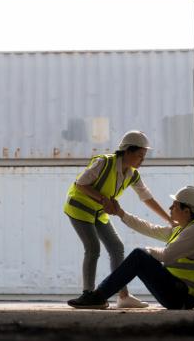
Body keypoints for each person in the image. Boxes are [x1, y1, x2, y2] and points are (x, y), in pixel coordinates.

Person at [63, 130, 174, 309]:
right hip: (79, 208)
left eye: (143, 156)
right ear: (127, 151)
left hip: (99, 212)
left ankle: (123, 296)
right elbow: (80, 184)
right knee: (93, 248)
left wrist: (169, 219)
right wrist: (103, 200)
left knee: (117, 247)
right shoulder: (104, 163)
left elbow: (147, 198)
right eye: (139, 156)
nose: (142, 160)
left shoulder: (132, 174)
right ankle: (88, 295)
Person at [67, 186, 194, 310]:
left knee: (139, 256)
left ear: (187, 211)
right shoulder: (181, 229)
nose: (170, 208)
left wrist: (147, 251)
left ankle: (98, 297)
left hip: (181, 297)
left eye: (174, 205)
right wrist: (120, 213)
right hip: (176, 291)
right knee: (139, 256)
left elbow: (166, 255)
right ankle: (99, 296)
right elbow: (149, 229)